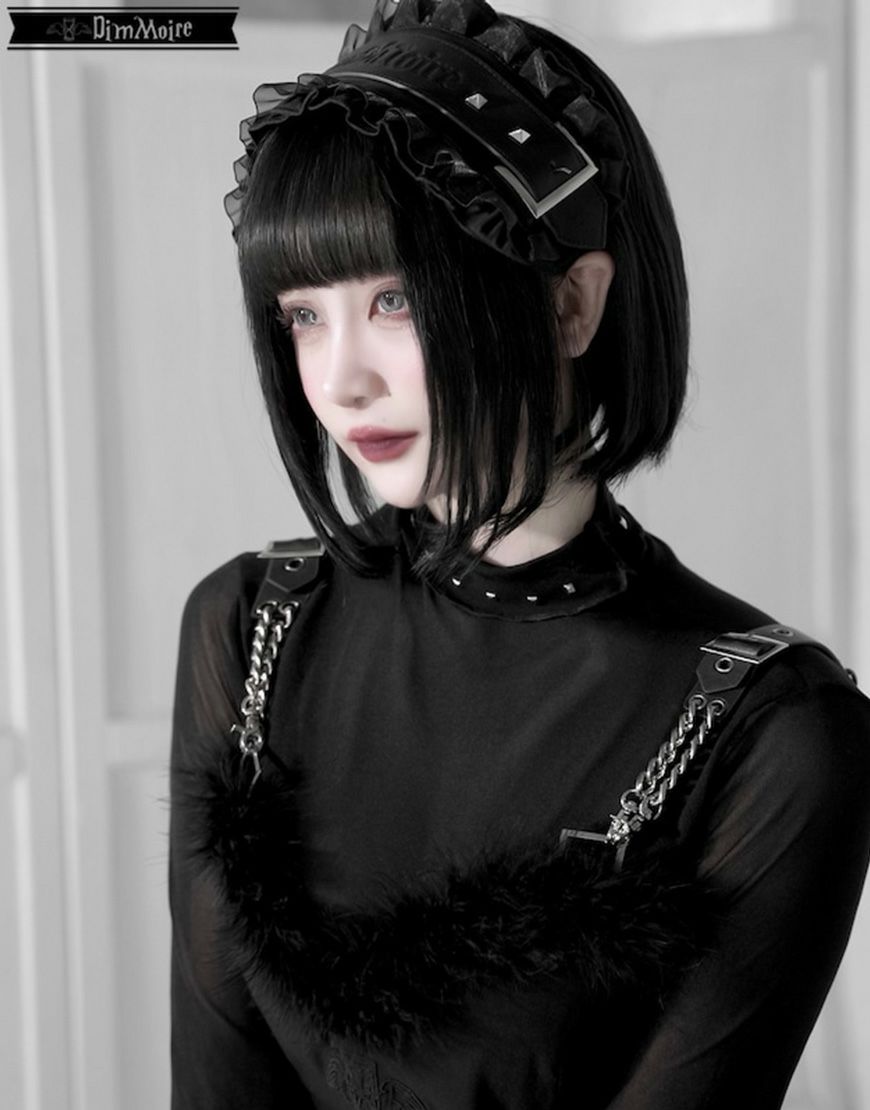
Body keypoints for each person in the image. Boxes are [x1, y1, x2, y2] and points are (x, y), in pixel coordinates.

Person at [169, 1, 870, 1107]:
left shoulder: (774, 735)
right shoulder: (251, 631)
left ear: (572, 305)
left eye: (394, 299)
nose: (340, 380)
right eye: (303, 315)